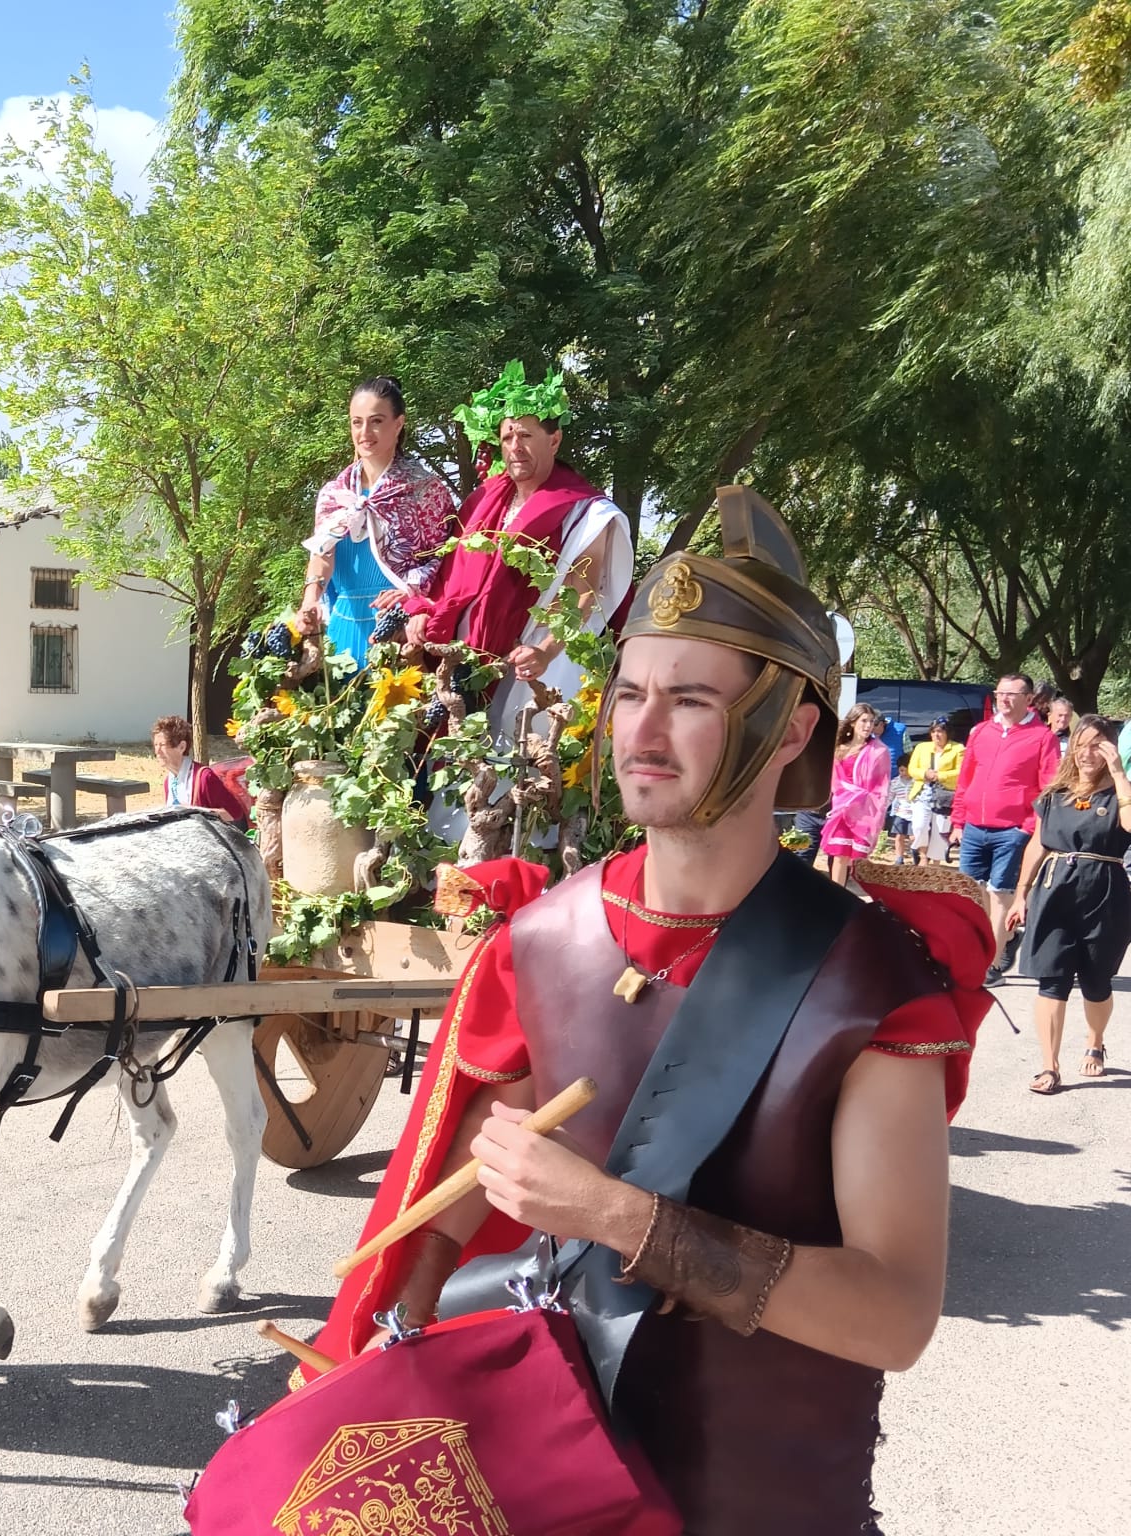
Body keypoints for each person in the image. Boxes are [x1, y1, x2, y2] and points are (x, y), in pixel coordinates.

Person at [314, 487, 991, 1535]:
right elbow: (440, 1225)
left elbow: (895, 1315)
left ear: (788, 727)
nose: (644, 729)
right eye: (630, 694)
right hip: (556, 1499)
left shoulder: (868, 985)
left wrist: (616, 1216)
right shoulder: (541, 947)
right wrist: (368, 1381)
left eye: (691, 700)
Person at [402, 363, 632, 731]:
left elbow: (583, 590)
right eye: (507, 438)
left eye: (525, 435)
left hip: (533, 662)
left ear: (554, 440)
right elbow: (448, 576)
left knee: (518, 773)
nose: (514, 448)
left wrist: (545, 650)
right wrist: (420, 607)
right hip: (463, 661)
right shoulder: (484, 499)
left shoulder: (585, 511)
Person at [298, 376, 457, 668]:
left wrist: (411, 590)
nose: (364, 432)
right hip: (341, 631)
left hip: (397, 628)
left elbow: (446, 562)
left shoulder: (426, 491)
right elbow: (322, 554)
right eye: (356, 422)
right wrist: (310, 600)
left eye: (376, 421)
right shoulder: (335, 494)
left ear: (398, 424)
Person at [1008, 714, 1130, 1094]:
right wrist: (1020, 894)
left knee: (1097, 982)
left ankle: (1095, 1042)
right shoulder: (1054, 795)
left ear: (1111, 747)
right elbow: (1038, 844)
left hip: (1105, 891)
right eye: (1081, 744)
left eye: (1097, 744)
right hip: (1055, 889)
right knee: (1052, 978)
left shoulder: (1119, 792)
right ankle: (1050, 1067)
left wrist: (1118, 770)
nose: (1087, 753)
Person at [953, 673, 1061, 982]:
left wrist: (1027, 827)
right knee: (972, 894)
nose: (1004, 699)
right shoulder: (980, 732)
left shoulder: (1043, 738)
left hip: (1011, 830)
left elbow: (1047, 789)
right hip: (974, 826)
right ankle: (1007, 939)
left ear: (1029, 699)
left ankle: (989, 967)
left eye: (1012, 694)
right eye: (1000, 693)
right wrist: (959, 820)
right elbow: (966, 779)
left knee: (1000, 895)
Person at [819, 703, 891, 882]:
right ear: (852, 722)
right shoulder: (839, 749)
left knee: (858, 859)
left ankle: (853, 900)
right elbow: (834, 781)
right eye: (864, 721)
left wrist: (871, 805)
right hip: (842, 810)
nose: (868, 725)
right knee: (840, 856)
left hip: (864, 812)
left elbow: (882, 786)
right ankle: (836, 896)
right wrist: (845, 797)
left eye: (871, 721)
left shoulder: (879, 751)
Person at [151, 714, 249, 829]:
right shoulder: (169, 781)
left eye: (162, 745)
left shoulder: (204, 777)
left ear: (181, 747)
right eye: (156, 745)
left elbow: (235, 813)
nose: (157, 751)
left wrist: (196, 812)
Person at [906, 716, 964, 865]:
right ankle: (923, 856)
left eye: (940, 731)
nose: (936, 735)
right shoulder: (921, 747)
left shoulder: (958, 749)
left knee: (940, 830)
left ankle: (936, 862)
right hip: (923, 793)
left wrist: (940, 776)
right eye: (933, 731)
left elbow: (962, 772)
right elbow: (912, 769)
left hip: (944, 795)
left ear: (947, 733)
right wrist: (925, 774)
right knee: (919, 826)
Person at [1046, 695, 1074, 760]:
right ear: (1050, 715)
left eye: (1067, 716)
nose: (1063, 719)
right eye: (1060, 715)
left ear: (1071, 717)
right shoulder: (1040, 737)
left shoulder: (1074, 742)